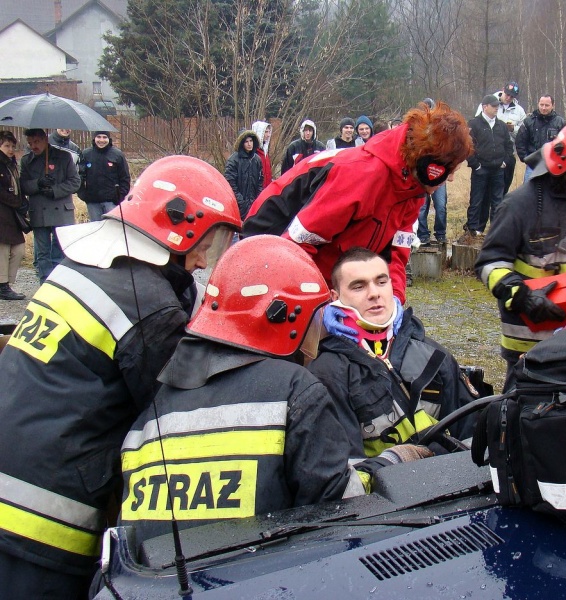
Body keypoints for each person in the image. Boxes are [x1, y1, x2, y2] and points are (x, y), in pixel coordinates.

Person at [0, 155, 242, 598]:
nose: (205, 261)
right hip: (42, 517)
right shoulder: (148, 307)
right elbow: (173, 410)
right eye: (207, 242)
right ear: (178, 226)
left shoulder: (82, 264)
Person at [119, 236, 431, 540]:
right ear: (285, 318)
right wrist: (392, 461)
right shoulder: (294, 390)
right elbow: (337, 506)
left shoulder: (156, 404)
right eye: (313, 318)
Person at [243, 100, 472, 304]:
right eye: (450, 170)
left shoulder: (412, 193)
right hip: (267, 239)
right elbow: (297, 246)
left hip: (322, 264)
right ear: (429, 165)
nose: (450, 178)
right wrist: (323, 306)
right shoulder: (362, 177)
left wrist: (392, 304)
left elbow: (394, 256)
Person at [475, 116, 566, 388]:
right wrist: (521, 296)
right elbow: (489, 263)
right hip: (528, 347)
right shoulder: (519, 205)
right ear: (565, 164)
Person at [308, 248, 479, 460]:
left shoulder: (433, 354)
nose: (374, 293)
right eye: (358, 286)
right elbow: (345, 477)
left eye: (381, 282)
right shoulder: (327, 374)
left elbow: (474, 437)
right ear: (335, 297)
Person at [19, 128, 81, 283]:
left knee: (60, 250)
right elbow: (23, 186)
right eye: (30, 143)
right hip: (39, 210)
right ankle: (45, 282)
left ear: (45, 139)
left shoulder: (64, 157)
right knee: (42, 252)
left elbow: (75, 182)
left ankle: (59, 282)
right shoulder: (27, 160)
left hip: (60, 209)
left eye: (37, 142)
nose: (34, 146)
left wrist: (55, 190)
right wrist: (38, 184)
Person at [464, 94, 514, 237]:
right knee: (477, 200)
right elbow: (468, 147)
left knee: (497, 201)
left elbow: (508, 146)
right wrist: (476, 165)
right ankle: (472, 230)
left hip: (498, 169)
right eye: (493, 106)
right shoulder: (474, 124)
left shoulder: (501, 125)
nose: (496, 108)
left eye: (497, 105)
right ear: (485, 107)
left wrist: (505, 161)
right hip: (481, 169)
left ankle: (495, 231)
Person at [476, 82, 526, 195]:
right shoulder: (487, 103)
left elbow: (523, 134)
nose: (508, 98)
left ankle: (500, 211)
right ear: (503, 90)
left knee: (503, 189)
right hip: (488, 154)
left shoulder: (519, 111)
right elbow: (477, 124)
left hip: (507, 153)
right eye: (507, 94)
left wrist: (513, 129)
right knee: (486, 190)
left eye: (512, 96)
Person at [77, 131, 131, 221]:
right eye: (99, 137)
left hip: (111, 202)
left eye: (104, 137)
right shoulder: (86, 154)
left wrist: (119, 196)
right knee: (96, 229)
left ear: (109, 139)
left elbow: (125, 178)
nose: (101, 140)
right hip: (92, 202)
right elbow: (80, 176)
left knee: (112, 229)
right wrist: (83, 195)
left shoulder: (117, 155)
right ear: (94, 138)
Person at [516, 95, 566, 182]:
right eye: (541, 105)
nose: (543, 108)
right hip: (533, 164)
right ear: (538, 104)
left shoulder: (560, 122)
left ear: (553, 106)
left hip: (553, 164)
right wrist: (526, 158)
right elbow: (520, 141)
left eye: (546, 105)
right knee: (528, 192)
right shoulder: (529, 121)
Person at [0, 131, 26, 301]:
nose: (10, 149)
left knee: (18, 248)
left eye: (12, 146)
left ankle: (7, 283)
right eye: (6, 146)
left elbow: (17, 186)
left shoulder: (12, 164)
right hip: (3, 211)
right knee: (3, 249)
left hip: (12, 213)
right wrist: (16, 201)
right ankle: (3, 286)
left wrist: (22, 201)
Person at [225, 128, 265, 221]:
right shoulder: (234, 160)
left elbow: (260, 180)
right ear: (241, 143)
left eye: (251, 141)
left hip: (254, 204)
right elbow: (230, 182)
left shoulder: (257, 159)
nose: (249, 144)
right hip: (239, 205)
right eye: (246, 141)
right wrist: (241, 201)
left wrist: (258, 198)